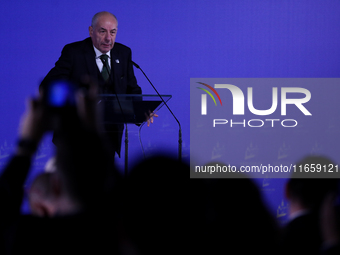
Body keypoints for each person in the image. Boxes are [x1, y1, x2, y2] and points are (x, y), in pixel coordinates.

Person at [39, 11, 157, 156]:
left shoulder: (123, 53)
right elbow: (48, 85)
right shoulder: (74, 52)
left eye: (113, 32)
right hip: (74, 137)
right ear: (91, 31)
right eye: (102, 31)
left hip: (109, 137)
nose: (108, 38)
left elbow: (132, 89)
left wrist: (141, 111)